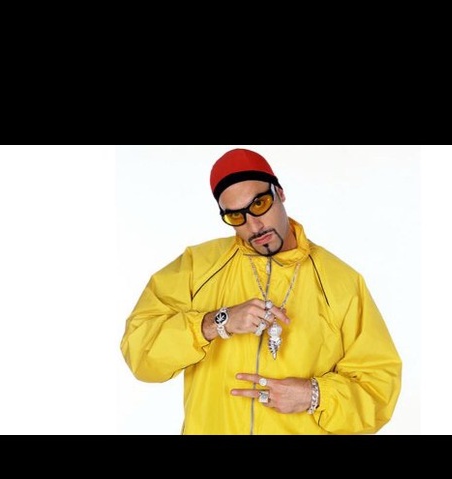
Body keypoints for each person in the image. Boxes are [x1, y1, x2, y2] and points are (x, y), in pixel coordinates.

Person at [120, 148, 402, 435]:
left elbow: (379, 389)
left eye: (259, 204)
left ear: (280, 193)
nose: (254, 225)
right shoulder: (197, 267)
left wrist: (314, 395)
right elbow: (140, 353)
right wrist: (216, 322)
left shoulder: (340, 282)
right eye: (236, 216)